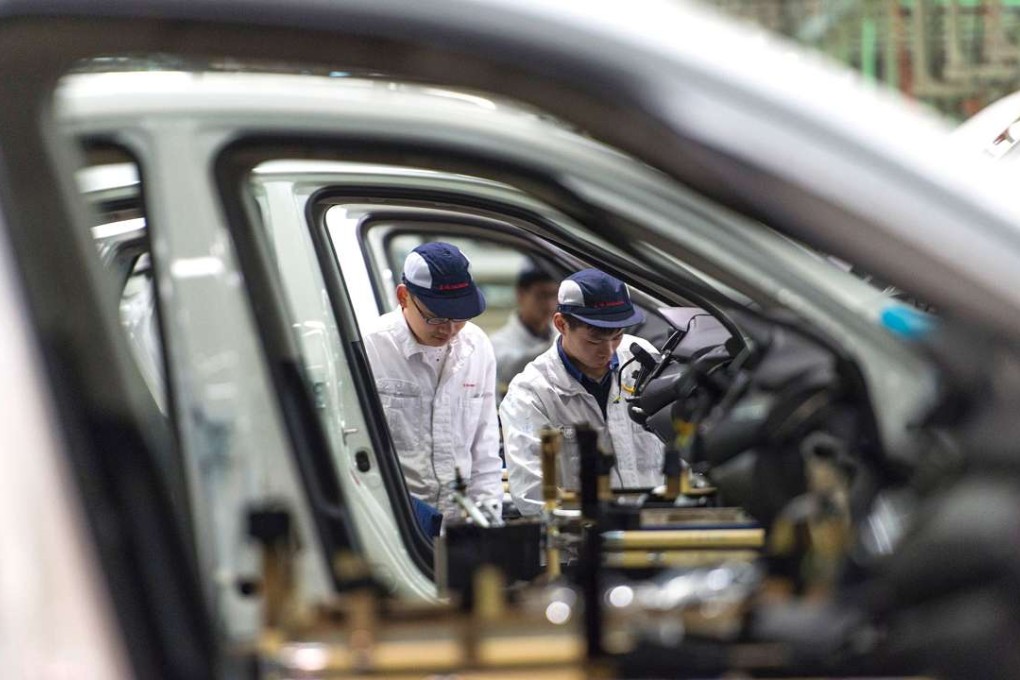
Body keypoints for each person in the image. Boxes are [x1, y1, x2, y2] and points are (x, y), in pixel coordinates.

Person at [499, 268, 665, 516]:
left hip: (657, 531)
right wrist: (596, 526)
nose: (609, 352)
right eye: (595, 340)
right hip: (581, 544)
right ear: (561, 324)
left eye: (617, 336)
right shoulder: (532, 394)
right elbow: (532, 496)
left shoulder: (643, 359)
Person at [363, 242, 502, 525]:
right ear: (403, 297)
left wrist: (488, 521)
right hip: (396, 526)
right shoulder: (371, 347)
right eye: (436, 317)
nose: (449, 330)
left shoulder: (477, 346)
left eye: (460, 318)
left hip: (462, 522)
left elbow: (484, 448)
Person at [489, 264, 560, 401]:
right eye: (541, 296)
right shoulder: (497, 343)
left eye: (554, 295)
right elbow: (511, 368)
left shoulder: (560, 334)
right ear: (520, 294)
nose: (550, 304)